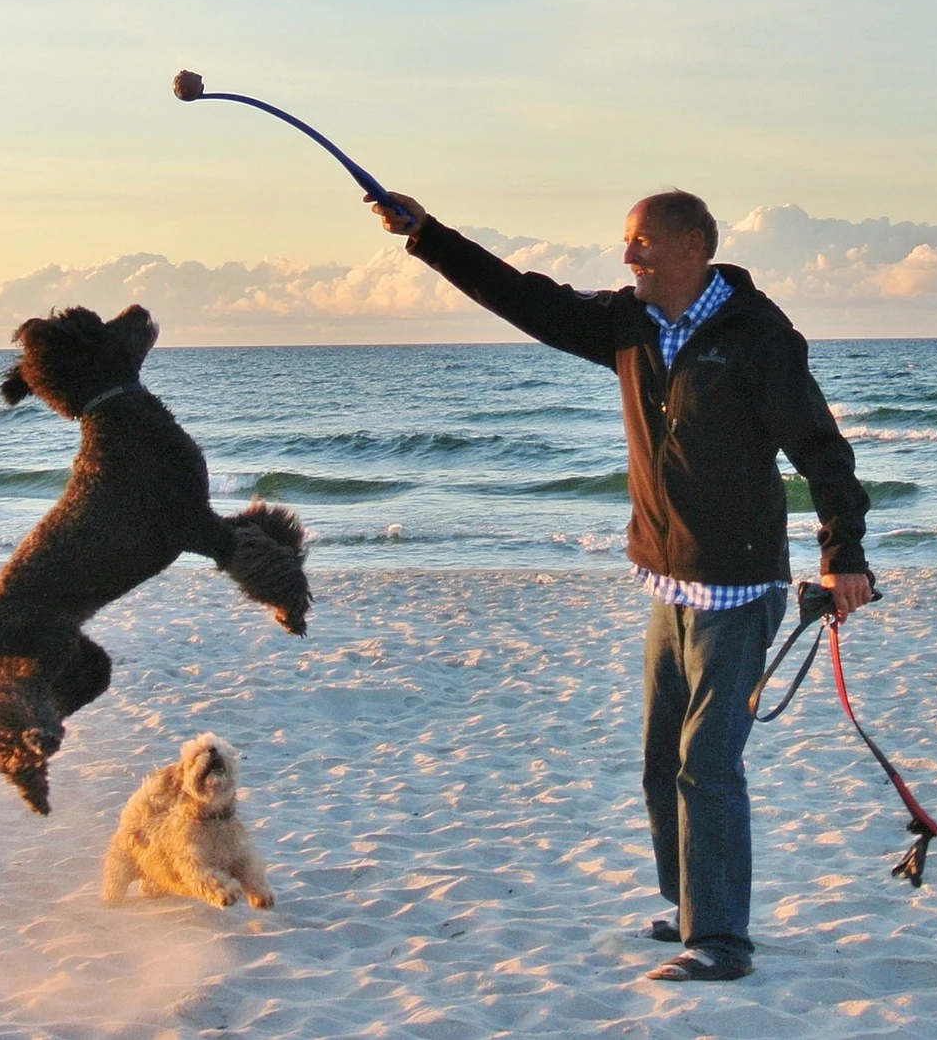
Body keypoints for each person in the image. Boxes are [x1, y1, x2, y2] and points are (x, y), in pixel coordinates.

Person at [371, 189, 873, 982]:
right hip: (667, 581)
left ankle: (721, 941)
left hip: (738, 589)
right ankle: (688, 908)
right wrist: (428, 236)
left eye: (641, 242)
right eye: (627, 242)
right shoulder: (628, 324)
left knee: (708, 763)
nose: (628, 255)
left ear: (693, 246)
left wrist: (843, 551)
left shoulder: (760, 337)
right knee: (660, 760)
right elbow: (526, 299)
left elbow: (819, 445)